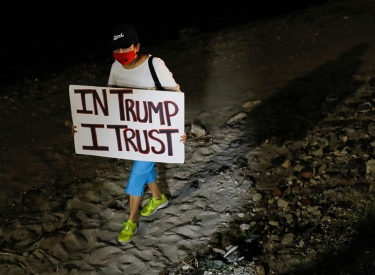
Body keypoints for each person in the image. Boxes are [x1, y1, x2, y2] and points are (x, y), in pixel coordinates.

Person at [108, 23, 186, 244]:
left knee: (136, 177)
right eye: (117, 49)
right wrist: (86, 126)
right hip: (133, 134)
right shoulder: (115, 67)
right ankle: (158, 198)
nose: (122, 53)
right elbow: (109, 101)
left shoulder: (155, 64)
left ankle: (131, 221)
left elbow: (175, 96)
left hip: (157, 133)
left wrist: (178, 129)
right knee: (145, 168)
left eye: (126, 48)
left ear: (137, 45)